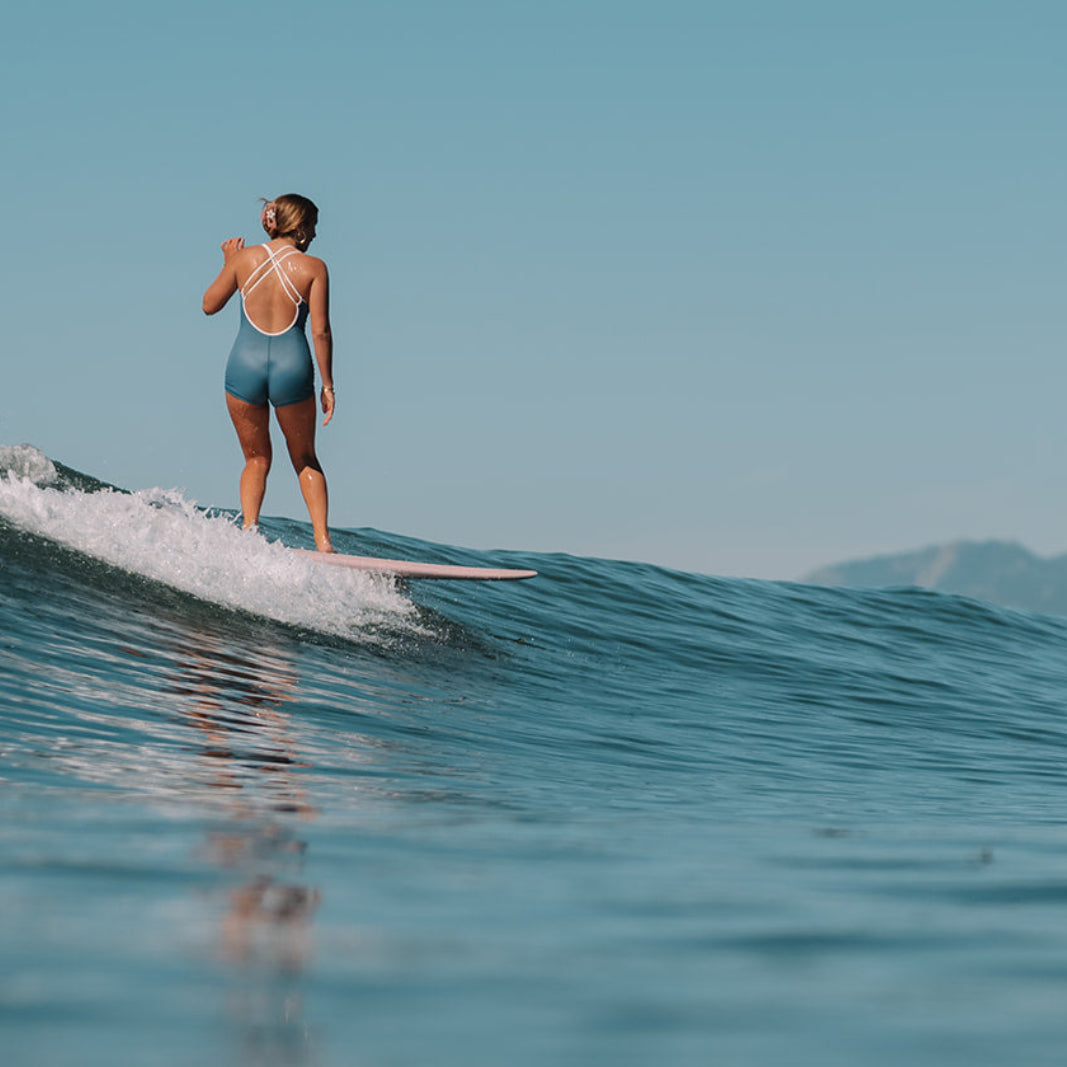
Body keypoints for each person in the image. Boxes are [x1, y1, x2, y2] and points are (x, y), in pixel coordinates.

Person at [202, 194, 336, 552]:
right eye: (314, 227)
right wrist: (328, 384)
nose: (316, 235)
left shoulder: (244, 259)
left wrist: (229, 262)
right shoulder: (314, 268)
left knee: (256, 458)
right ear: (302, 228)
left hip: (243, 365)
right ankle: (323, 542)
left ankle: (249, 531)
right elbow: (321, 331)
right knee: (305, 458)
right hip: (292, 366)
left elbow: (209, 305)